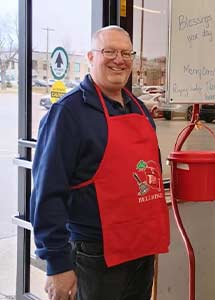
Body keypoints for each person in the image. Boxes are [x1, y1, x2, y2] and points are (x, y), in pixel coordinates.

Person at [30, 25, 170, 300]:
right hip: (95, 255)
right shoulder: (67, 113)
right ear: (91, 57)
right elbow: (47, 192)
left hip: (141, 250)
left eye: (126, 53)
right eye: (109, 51)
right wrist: (57, 263)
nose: (119, 59)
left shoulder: (139, 109)